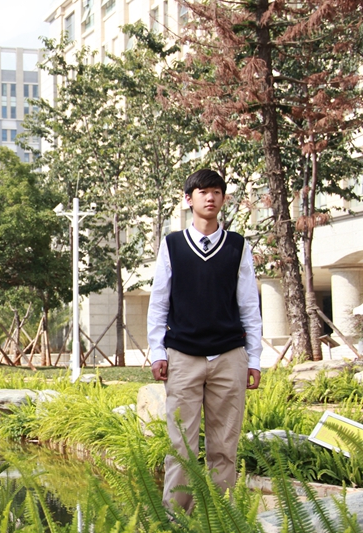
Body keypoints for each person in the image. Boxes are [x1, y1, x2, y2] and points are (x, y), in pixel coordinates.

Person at [147, 169, 262, 513]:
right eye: (202, 192)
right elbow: (159, 302)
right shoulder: (172, 245)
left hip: (229, 355)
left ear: (223, 199)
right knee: (181, 447)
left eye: (216, 192)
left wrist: (254, 359)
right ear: (189, 199)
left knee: (224, 447)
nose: (210, 197)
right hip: (183, 356)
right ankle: (177, 520)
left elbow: (249, 305)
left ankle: (219, 518)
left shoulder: (238, 246)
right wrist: (157, 351)